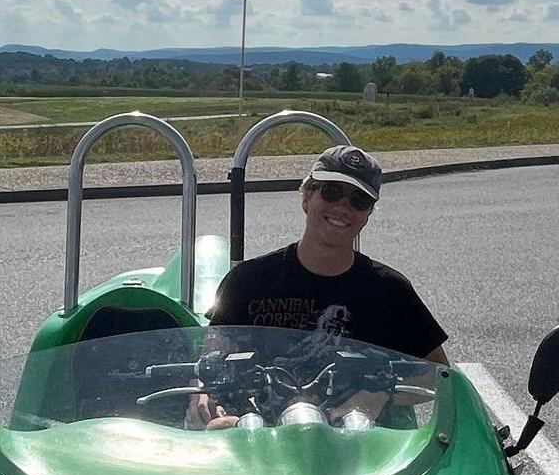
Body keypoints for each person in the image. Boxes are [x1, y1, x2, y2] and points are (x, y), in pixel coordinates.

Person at [189, 143, 447, 427]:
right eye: (332, 192)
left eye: (359, 201)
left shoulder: (389, 290)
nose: (343, 207)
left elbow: (438, 374)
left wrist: (380, 393)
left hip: (359, 442)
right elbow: (210, 360)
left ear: (368, 215)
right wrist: (203, 397)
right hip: (260, 437)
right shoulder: (247, 280)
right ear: (307, 197)